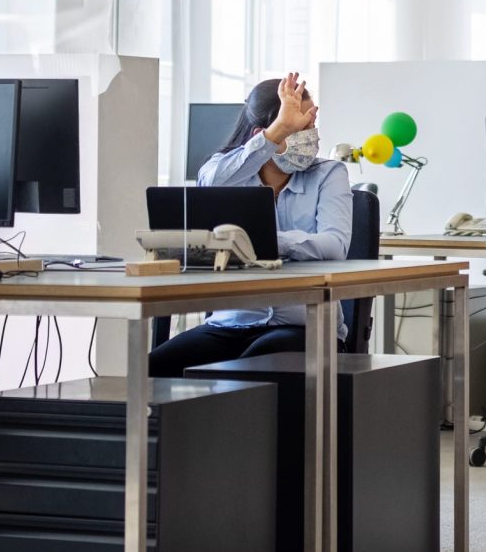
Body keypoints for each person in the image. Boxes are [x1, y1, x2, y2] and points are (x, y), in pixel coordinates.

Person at [148, 72, 353, 375]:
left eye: (311, 126)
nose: (311, 136)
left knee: (253, 362)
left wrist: (262, 242)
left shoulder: (329, 174)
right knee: (155, 366)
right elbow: (210, 184)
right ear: (264, 132)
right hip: (231, 322)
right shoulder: (224, 169)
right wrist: (276, 134)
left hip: (303, 325)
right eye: (299, 127)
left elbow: (335, 244)